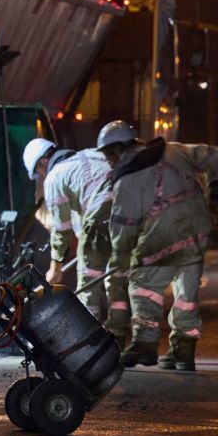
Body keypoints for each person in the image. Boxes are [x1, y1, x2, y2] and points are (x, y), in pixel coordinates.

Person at [98, 120, 215, 371]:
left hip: (163, 233)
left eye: (108, 155)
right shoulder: (173, 149)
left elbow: (123, 227)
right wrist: (214, 192)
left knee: (142, 284)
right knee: (186, 292)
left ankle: (144, 344)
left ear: (117, 149)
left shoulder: (127, 176)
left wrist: (120, 260)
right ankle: (183, 350)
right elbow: (213, 156)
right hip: (197, 227)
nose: (108, 161)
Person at [22, 138, 128, 345]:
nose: (41, 176)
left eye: (39, 171)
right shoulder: (91, 155)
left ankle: (88, 342)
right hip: (130, 219)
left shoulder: (55, 176)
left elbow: (61, 229)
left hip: (101, 219)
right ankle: (118, 337)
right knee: (117, 278)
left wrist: (55, 267)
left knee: (89, 283)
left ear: (44, 161)